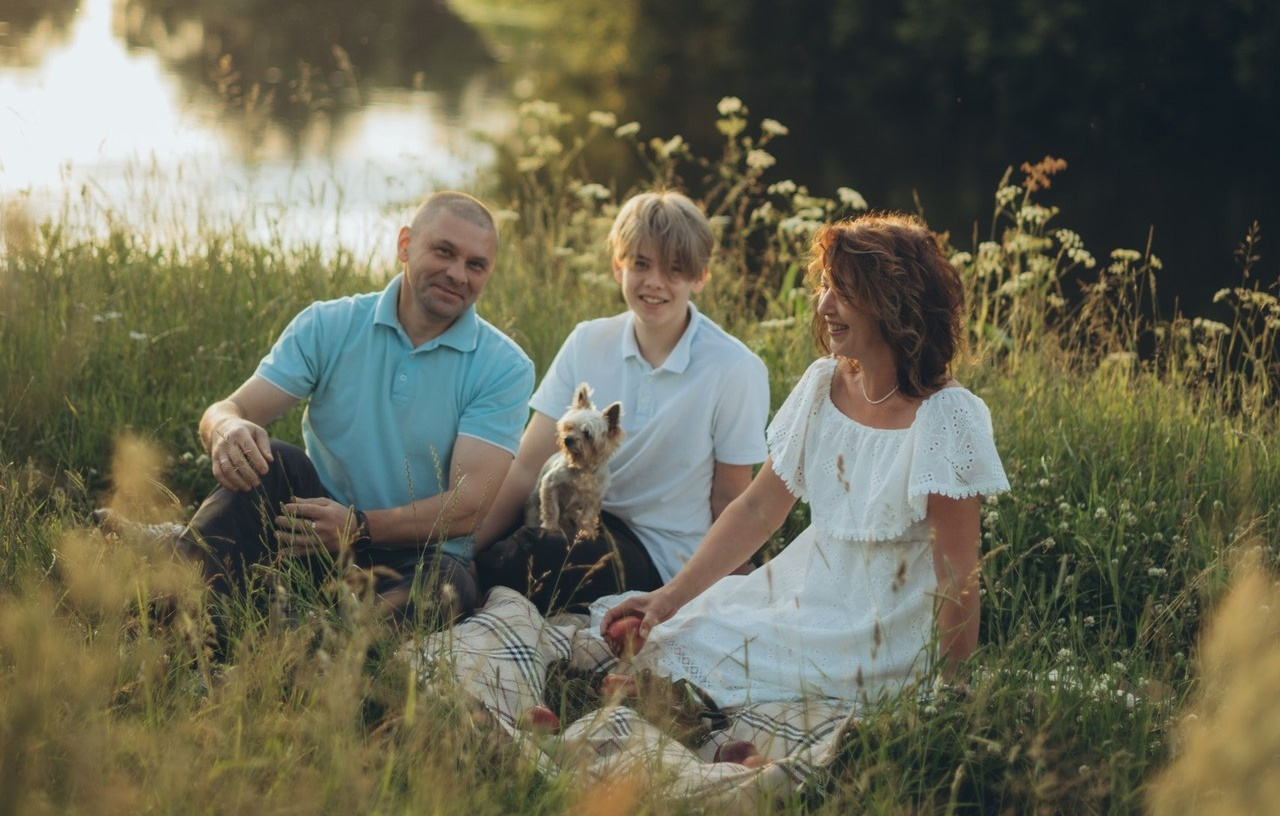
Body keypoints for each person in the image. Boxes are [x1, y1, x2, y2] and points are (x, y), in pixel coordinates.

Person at [599, 212, 1010, 707]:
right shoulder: (823, 385)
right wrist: (667, 598)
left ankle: (685, 707)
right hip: (808, 591)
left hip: (885, 626)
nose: (824, 305)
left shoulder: (948, 415)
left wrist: (953, 692)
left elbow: (956, 570)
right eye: (825, 287)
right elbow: (757, 509)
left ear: (893, 303)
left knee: (750, 677)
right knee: (679, 636)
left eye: (843, 292)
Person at [107, 191, 534, 626]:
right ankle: (171, 602)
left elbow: (467, 509)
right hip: (309, 534)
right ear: (405, 244)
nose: (457, 274)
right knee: (272, 461)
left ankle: (289, 636)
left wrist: (359, 526)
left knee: (449, 587)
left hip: (417, 558)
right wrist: (225, 429)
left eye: (475, 264)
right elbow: (231, 408)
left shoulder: (505, 366)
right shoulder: (330, 324)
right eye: (444, 252)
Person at [473, 190, 771, 613]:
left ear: (700, 277)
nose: (654, 282)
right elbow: (525, 465)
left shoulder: (734, 368)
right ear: (618, 266)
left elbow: (730, 499)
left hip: (659, 553)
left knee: (534, 560)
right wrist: (458, 548)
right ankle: (442, 573)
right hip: (579, 515)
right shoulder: (588, 341)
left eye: (675, 270)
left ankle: (455, 589)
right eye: (641, 264)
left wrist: (737, 591)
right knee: (511, 542)